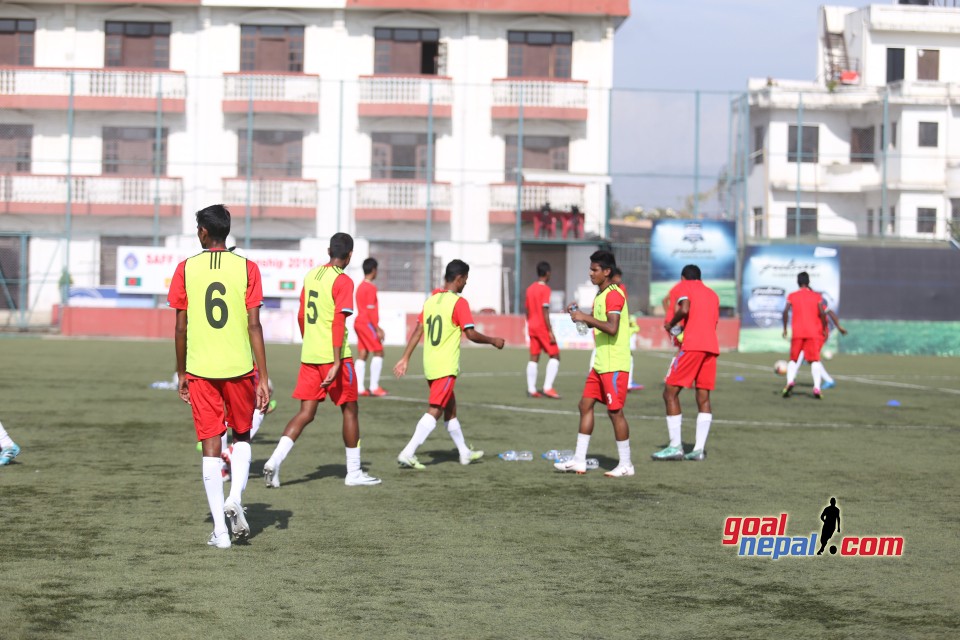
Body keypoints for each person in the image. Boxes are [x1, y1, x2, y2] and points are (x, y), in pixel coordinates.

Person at [167, 204, 270, 549]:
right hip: (240, 367)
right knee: (241, 435)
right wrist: (264, 377)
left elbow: (180, 326)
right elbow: (254, 324)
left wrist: (181, 372)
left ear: (203, 232)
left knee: (211, 444)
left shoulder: (186, 268)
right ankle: (235, 497)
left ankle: (220, 533)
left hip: (200, 369)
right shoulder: (247, 267)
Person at [262, 233, 381, 488]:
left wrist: (311, 343)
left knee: (305, 413)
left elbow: (301, 316)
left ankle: (274, 460)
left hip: (311, 355)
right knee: (350, 409)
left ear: (329, 250)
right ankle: (354, 473)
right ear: (349, 256)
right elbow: (339, 321)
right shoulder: (344, 281)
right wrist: (337, 361)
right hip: (335, 356)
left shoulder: (312, 275)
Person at [393, 259, 505, 470]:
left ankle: (464, 452)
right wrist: (493, 341)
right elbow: (470, 333)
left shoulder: (431, 300)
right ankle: (408, 452)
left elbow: (418, 331)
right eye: (466, 280)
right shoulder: (458, 303)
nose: (465, 284)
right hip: (445, 366)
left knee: (450, 409)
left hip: (431, 364)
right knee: (435, 409)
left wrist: (405, 357)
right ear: (459, 278)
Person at [555, 250, 634, 477]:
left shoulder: (614, 294)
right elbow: (596, 323)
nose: (590, 273)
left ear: (607, 272)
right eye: (591, 268)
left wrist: (585, 317)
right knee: (584, 405)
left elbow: (612, 327)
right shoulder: (600, 295)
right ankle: (579, 460)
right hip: (600, 363)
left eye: (594, 269)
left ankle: (627, 464)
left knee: (615, 412)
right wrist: (578, 314)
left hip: (614, 364)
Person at [653, 264, 720, 462]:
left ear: (684, 278)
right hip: (711, 347)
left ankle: (675, 446)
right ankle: (698, 449)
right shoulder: (712, 294)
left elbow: (685, 308)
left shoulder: (685, 287)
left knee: (669, 392)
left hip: (693, 345)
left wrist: (671, 323)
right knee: (703, 396)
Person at [781, 271, 828, 399]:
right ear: (809, 282)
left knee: (793, 359)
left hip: (797, 332)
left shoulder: (792, 296)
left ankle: (790, 381)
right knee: (815, 360)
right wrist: (824, 328)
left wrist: (785, 329)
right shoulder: (816, 296)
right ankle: (817, 388)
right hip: (813, 333)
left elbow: (785, 311)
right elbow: (822, 313)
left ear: (798, 282)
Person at [525, 261, 561, 399]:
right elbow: (544, 310)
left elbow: (527, 310)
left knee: (534, 357)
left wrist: (529, 324)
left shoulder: (530, 289)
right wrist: (550, 331)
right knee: (555, 355)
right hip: (541, 327)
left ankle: (531, 389)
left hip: (532, 326)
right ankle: (547, 388)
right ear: (547, 273)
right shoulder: (545, 289)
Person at [796, 298, 847, 390]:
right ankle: (828, 380)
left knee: (805, 355)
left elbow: (831, 313)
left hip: (820, 335)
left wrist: (839, 327)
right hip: (812, 335)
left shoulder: (817, 305)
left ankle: (791, 377)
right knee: (809, 358)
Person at [355, 257, 388, 397]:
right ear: (374, 270)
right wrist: (377, 329)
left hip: (359, 322)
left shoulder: (360, 286)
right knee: (379, 352)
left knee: (363, 353)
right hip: (366, 323)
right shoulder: (370, 288)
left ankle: (359, 388)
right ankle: (374, 387)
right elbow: (370, 310)